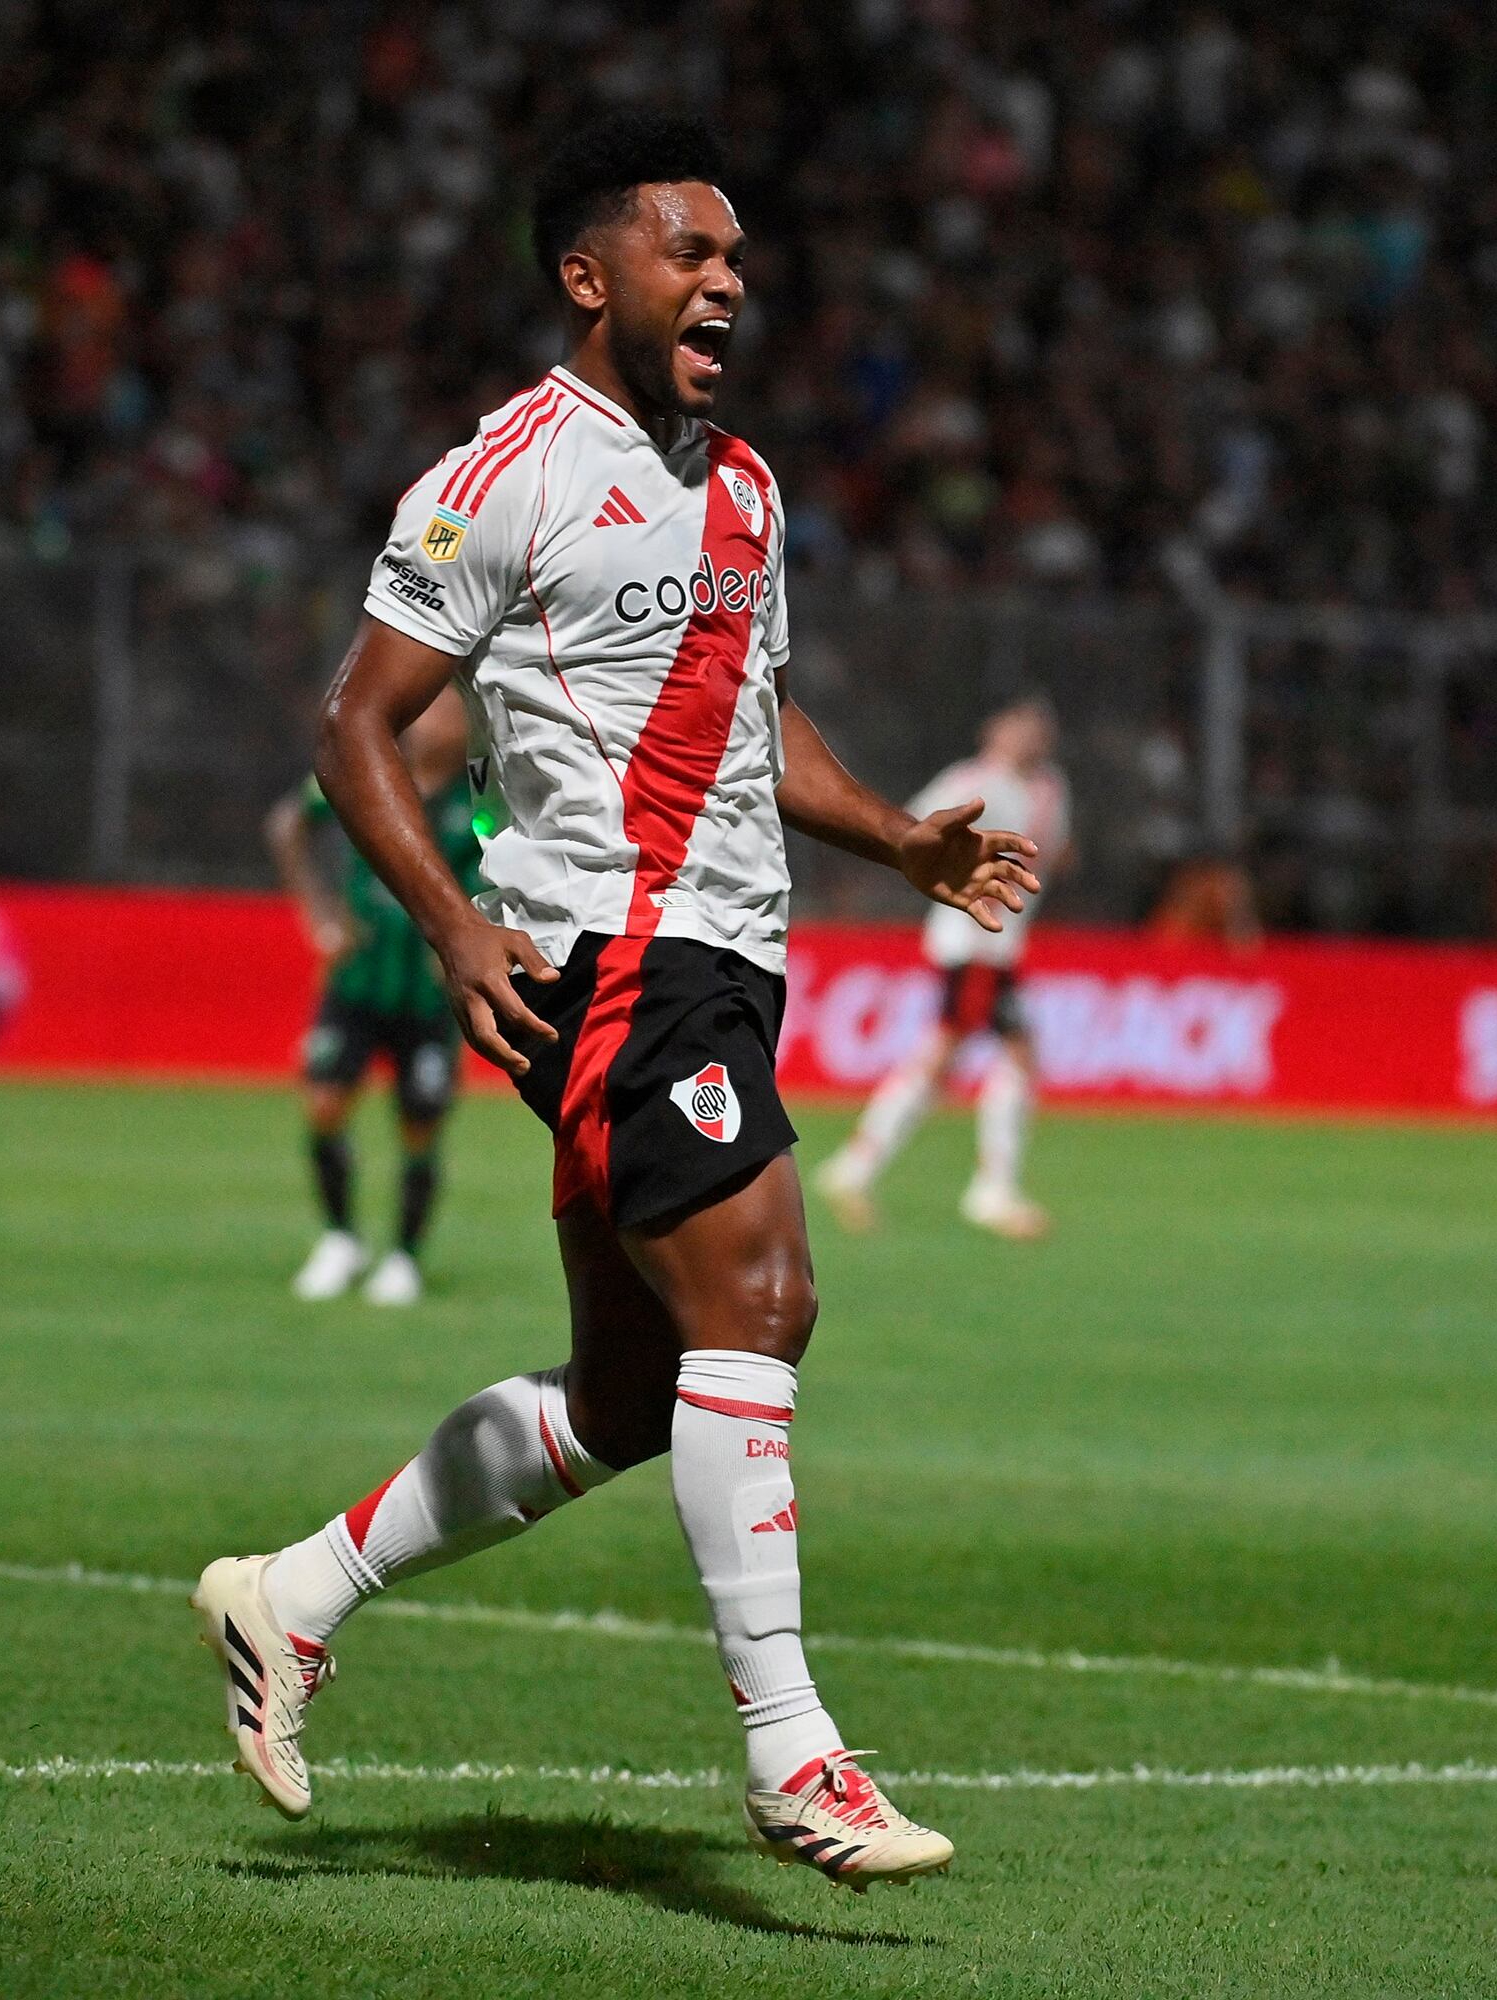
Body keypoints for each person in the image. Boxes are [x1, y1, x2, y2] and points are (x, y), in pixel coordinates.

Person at [192, 111, 1038, 1892]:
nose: (727, 282)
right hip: (607, 957)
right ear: (592, 278)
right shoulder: (505, 472)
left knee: (642, 1390)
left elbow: (754, 712)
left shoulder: (742, 486)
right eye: (689, 253)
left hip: (733, 954)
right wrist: (449, 924)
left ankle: (292, 1595)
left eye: (737, 258)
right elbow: (356, 722)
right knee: (769, 1296)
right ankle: (793, 1754)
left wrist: (899, 840)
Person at [814, 697, 1074, 1240]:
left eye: (1038, 727)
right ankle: (988, 1189)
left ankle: (857, 1166)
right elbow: (917, 829)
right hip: (971, 939)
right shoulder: (972, 780)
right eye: (1019, 725)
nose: (1030, 736)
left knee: (952, 1056)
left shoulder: (1051, 789)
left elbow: (1054, 853)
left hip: (1004, 943)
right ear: (994, 729)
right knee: (996, 1053)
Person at [264, 688, 485, 1306]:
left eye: (446, 708)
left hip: (428, 993)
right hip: (357, 981)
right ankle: (340, 1239)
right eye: (426, 705)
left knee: (420, 1123)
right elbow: (289, 825)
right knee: (326, 1103)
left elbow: (504, 861)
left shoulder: (480, 796)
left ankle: (405, 1258)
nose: (431, 718)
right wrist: (320, 915)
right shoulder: (369, 769)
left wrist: (475, 936)